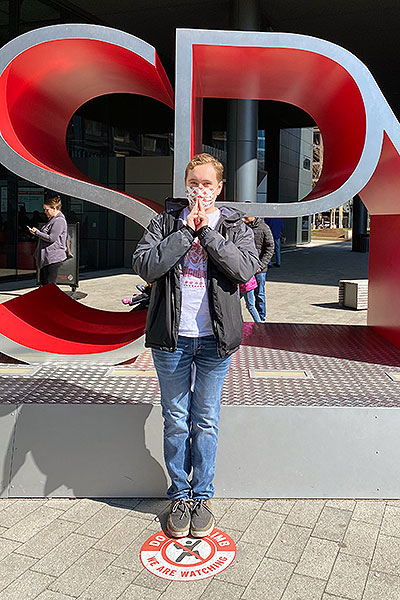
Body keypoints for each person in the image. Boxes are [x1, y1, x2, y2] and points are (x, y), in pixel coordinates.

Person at [132, 153, 259, 539]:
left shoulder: (235, 226)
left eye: (207, 184)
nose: (199, 191)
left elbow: (244, 269)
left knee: (205, 420)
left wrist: (208, 234)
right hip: (172, 338)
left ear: (219, 188)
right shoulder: (166, 222)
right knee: (175, 419)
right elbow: (144, 265)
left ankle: (202, 494)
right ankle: (180, 495)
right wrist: (186, 233)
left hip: (214, 341)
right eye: (193, 184)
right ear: (185, 186)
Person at [28, 194, 68, 286]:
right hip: (48, 257)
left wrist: (37, 233)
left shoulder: (59, 221)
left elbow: (52, 238)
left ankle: (52, 300)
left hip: (53, 257)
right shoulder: (53, 219)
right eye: (44, 210)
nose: (45, 212)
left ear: (54, 209)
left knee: (49, 285)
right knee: (44, 284)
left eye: (47, 210)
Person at [243, 216, 274, 322]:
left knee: (259, 294)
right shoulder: (242, 227)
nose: (244, 217)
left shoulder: (264, 227)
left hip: (260, 269)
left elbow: (270, 247)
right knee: (244, 294)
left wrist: (261, 265)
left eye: (246, 215)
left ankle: (261, 318)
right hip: (247, 268)